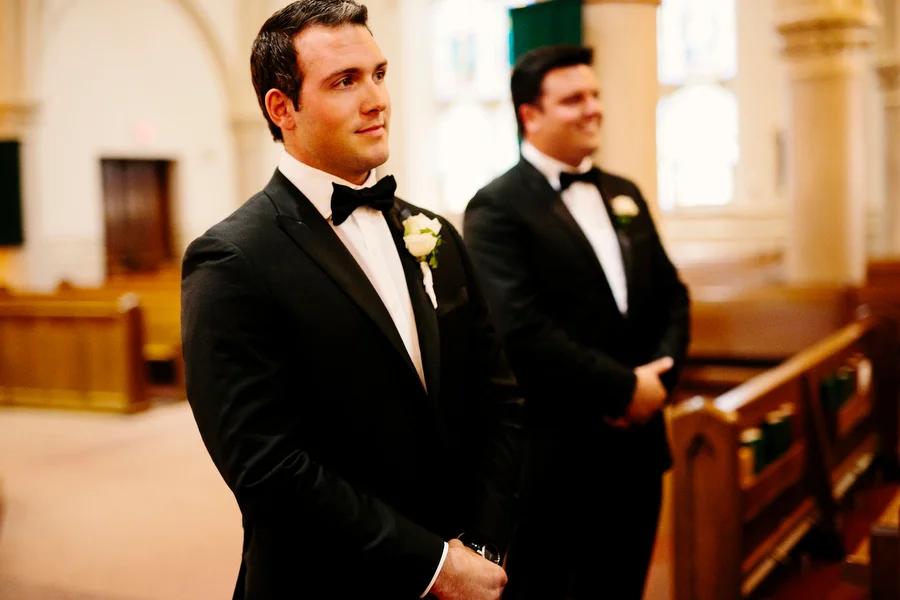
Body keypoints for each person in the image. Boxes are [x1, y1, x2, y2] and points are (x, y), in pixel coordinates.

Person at [180, 2, 523, 598]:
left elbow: (498, 397)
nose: (377, 100)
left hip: (470, 568)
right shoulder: (233, 259)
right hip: (327, 582)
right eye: (345, 81)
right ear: (282, 108)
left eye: (379, 74)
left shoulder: (435, 234)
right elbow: (266, 466)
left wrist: (484, 544)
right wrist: (433, 566)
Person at [463, 44, 690, 600]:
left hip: (638, 450)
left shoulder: (623, 192)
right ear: (530, 115)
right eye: (573, 99)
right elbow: (520, 329)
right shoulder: (496, 207)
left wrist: (658, 384)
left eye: (595, 94)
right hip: (560, 456)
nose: (593, 108)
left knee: (625, 586)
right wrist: (622, 390)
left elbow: (672, 296)